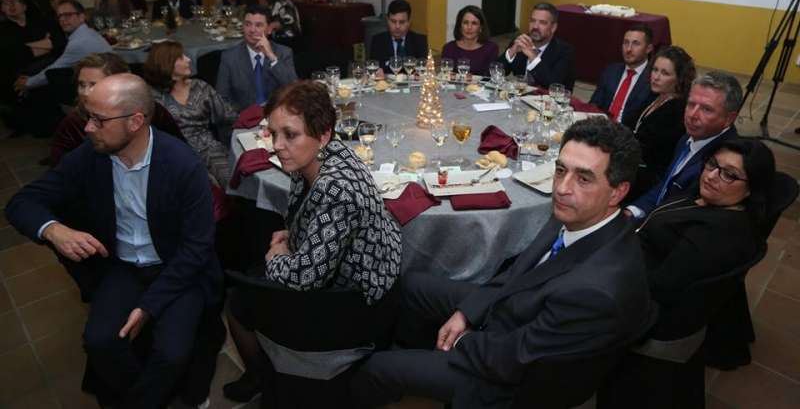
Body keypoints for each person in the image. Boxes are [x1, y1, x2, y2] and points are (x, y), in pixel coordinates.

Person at [351, 117, 653, 409]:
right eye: (561, 170)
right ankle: (411, 359)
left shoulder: (597, 291)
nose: (562, 187)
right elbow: (518, 272)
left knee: (378, 368)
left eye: (583, 178)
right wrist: (468, 312)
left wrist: (461, 341)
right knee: (412, 284)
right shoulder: (581, 214)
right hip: (514, 314)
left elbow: (517, 359)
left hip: (511, 383)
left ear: (618, 192)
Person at [5, 73, 224, 408]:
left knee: (171, 353)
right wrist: (54, 229)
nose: (88, 128)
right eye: (87, 117)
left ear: (135, 122)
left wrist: (149, 306)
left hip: (176, 270)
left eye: (98, 120)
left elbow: (197, 249)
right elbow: (20, 203)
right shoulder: (90, 156)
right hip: (124, 267)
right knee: (99, 341)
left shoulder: (182, 164)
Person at [222, 81, 402, 403]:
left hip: (356, 304)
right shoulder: (319, 156)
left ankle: (266, 382)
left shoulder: (335, 189)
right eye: (273, 133)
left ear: (323, 134)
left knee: (236, 302)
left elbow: (305, 278)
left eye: (290, 134)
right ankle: (270, 379)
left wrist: (277, 256)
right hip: (340, 272)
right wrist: (293, 234)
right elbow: (314, 218)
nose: (277, 145)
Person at [637, 137, 774, 340]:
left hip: (641, 306)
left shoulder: (715, 234)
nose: (710, 176)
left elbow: (660, 288)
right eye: (712, 164)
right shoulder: (708, 196)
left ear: (751, 188)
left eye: (729, 175)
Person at [626, 71, 742, 219]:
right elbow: (665, 186)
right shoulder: (688, 137)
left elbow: (690, 217)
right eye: (691, 104)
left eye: (706, 109)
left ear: (729, 118)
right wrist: (633, 211)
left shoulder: (725, 163)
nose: (692, 115)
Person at [50, 52, 184, 166]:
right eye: (81, 85)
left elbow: (179, 149)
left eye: (94, 85)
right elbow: (61, 175)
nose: (85, 93)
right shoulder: (72, 125)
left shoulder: (151, 110)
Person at [144, 41, 237, 187]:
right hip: (173, 154)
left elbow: (229, 116)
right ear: (167, 64)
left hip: (209, 150)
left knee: (231, 181)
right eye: (181, 57)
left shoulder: (200, 87)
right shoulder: (152, 97)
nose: (188, 59)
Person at [625, 46, 696, 200]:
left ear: (679, 79)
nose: (656, 77)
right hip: (631, 163)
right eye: (655, 70)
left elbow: (651, 150)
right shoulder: (654, 97)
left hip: (647, 179)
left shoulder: (678, 110)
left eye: (665, 73)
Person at [15, 0, 111, 93]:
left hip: (105, 87)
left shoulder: (79, 42)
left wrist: (28, 83)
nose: (62, 19)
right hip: (106, 79)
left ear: (81, 17)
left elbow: (53, 70)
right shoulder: (87, 32)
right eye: (59, 16)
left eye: (68, 15)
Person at [216, 4, 298, 112]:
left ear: (269, 29)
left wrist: (272, 57)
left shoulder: (283, 53)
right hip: (242, 118)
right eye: (247, 24)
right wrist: (241, 118)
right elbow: (221, 101)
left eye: (258, 25)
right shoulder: (230, 57)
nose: (252, 30)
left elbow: (295, 90)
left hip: (276, 116)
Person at [499, 2, 576, 90]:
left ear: (553, 27)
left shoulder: (565, 51)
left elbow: (553, 86)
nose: (535, 26)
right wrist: (511, 52)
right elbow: (491, 74)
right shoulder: (521, 42)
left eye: (542, 23)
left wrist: (533, 57)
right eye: (532, 21)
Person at [589, 24, 657, 123]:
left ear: (648, 48)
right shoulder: (611, 71)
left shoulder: (654, 78)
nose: (628, 49)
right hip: (601, 126)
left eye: (636, 44)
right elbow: (594, 104)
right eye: (626, 43)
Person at [441, 5, 499, 77]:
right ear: (460, 26)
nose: (469, 27)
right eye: (465, 23)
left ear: (481, 27)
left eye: (474, 23)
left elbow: (490, 77)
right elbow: (445, 76)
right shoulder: (448, 48)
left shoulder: (491, 49)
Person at [369, 0, 428, 65]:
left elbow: (422, 66)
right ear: (387, 20)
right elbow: (374, 66)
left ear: (409, 22)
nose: (397, 26)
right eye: (393, 21)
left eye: (402, 22)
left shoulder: (420, 41)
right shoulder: (378, 41)